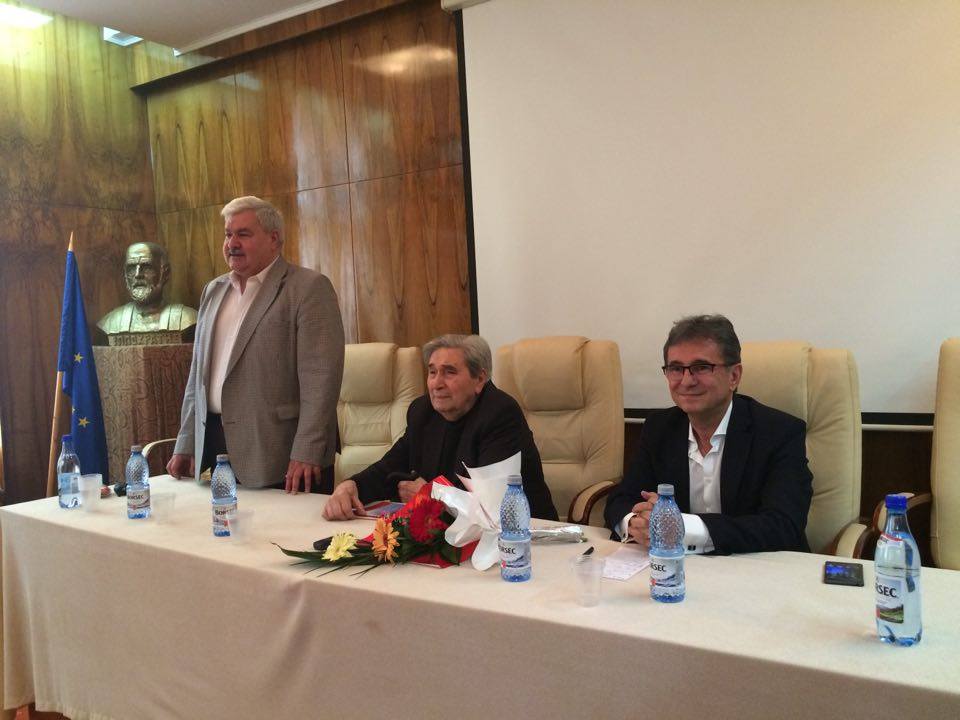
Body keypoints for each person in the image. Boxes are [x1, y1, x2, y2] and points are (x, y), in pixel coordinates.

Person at [167, 196, 345, 494]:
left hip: (284, 453)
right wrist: (185, 442)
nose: (232, 243)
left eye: (243, 234)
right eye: (228, 234)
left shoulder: (308, 288)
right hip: (217, 446)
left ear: (273, 239)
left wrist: (308, 449)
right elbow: (197, 376)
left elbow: (321, 379)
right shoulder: (213, 291)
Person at [604, 315, 813, 554]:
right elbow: (621, 499)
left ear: (734, 376)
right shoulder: (659, 427)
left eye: (701, 367)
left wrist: (682, 528)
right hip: (678, 565)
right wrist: (635, 522)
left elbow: (783, 525)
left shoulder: (779, 432)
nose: (686, 381)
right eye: (676, 368)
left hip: (757, 567)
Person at [323, 334, 558, 521]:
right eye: (433, 372)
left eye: (449, 372)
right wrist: (351, 486)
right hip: (448, 534)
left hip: (524, 537)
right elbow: (391, 466)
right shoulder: (423, 411)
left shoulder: (499, 413)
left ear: (479, 379)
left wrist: (432, 494)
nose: (436, 383)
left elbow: (491, 503)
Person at [97, 242, 197, 337]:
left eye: (146, 268)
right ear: (125, 274)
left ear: (165, 273)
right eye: (131, 268)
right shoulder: (111, 322)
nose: (137, 275)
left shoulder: (187, 318)